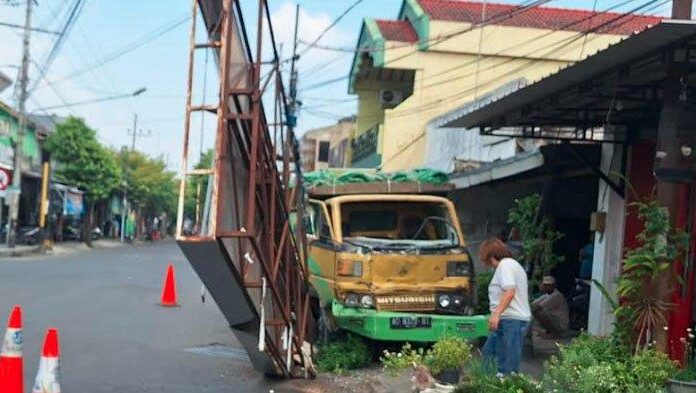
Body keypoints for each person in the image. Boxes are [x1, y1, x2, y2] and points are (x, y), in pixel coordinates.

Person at [480, 237, 531, 375]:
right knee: (491, 355)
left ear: (489, 255)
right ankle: (492, 385)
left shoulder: (505, 265)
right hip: (507, 319)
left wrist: (496, 315)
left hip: (511, 319)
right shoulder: (509, 265)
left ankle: (504, 385)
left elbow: (510, 291)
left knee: (506, 363)